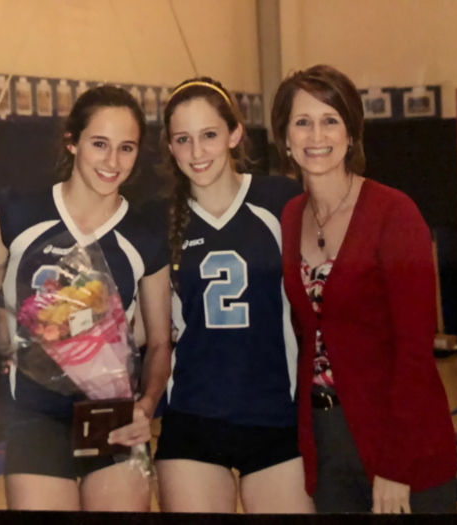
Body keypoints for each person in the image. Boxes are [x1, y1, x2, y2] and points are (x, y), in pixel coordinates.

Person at [273, 64, 457, 514]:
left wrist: (394, 465)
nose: (316, 135)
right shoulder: (290, 217)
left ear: (351, 133)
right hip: (325, 440)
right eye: (303, 122)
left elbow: (414, 352)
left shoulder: (394, 213)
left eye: (330, 120)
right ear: (285, 138)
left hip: (400, 442)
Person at [0, 85, 172, 511]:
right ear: (72, 142)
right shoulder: (19, 213)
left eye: (126, 148)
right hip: (34, 415)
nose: (112, 162)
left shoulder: (143, 236)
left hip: (112, 420)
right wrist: (8, 336)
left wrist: (146, 405)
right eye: (99, 144)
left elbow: (160, 341)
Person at [153, 77, 314, 514]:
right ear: (170, 146)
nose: (197, 152)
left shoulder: (280, 201)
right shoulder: (160, 220)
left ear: (234, 133)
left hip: (276, 415)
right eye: (183, 140)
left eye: (209, 135)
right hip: (193, 417)